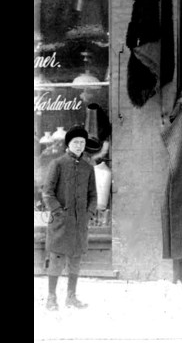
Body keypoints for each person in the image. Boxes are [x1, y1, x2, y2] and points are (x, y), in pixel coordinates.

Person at [42, 125, 98, 311]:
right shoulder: (57, 164)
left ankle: (71, 297)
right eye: (76, 142)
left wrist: (88, 214)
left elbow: (93, 195)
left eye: (82, 143)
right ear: (68, 144)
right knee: (56, 259)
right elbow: (47, 193)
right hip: (60, 223)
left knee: (75, 260)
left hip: (79, 223)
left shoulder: (87, 168)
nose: (79, 146)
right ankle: (51, 297)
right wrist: (58, 213)